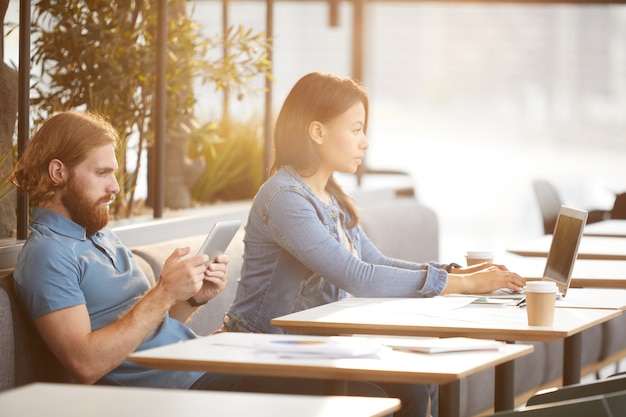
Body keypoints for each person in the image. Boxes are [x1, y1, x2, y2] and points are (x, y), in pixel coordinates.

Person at [10, 111, 389, 400]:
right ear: (58, 172)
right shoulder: (48, 255)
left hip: (200, 363)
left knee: (387, 382)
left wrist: (189, 297)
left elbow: (144, 327)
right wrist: (163, 292)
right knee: (364, 394)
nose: (114, 187)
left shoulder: (100, 235)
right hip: (178, 391)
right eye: (102, 173)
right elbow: (86, 363)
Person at [222, 72, 526, 417]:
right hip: (259, 356)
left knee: (419, 383)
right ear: (318, 132)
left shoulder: (329, 196)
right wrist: (462, 284)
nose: (364, 142)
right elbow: (358, 276)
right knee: (398, 393)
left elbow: (375, 260)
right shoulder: (284, 198)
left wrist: (454, 273)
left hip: (308, 350)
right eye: (355, 129)